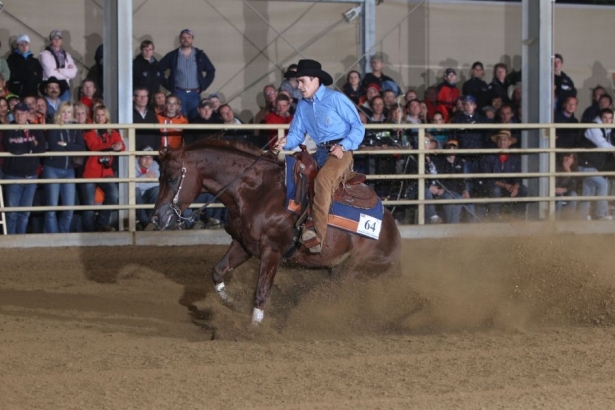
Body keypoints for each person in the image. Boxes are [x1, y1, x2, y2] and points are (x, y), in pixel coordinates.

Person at [274, 59, 364, 253]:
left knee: (323, 180)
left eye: (302, 81)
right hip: (320, 151)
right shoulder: (303, 106)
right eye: (298, 81)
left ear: (315, 80)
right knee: (292, 173)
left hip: (341, 152)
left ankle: (318, 235)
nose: (299, 86)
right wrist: (286, 142)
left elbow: (358, 127)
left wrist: (343, 145)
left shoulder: (335, 99)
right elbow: (297, 134)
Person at [2, 102, 46, 234]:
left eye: (22, 113)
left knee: (24, 213)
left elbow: (42, 147)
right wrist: (32, 146)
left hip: (30, 174)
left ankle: (20, 239)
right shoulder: (8, 129)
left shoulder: (34, 128)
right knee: (12, 213)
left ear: (27, 114)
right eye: (16, 113)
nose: (19, 116)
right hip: (14, 175)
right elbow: (13, 149)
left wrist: (26, 147)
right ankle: (11, 240)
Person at [42, 102, 85, 233]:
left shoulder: (75, 127)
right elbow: (54, 147)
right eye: (64, 111)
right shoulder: (53, 126)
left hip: (69, 170)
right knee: (52, 206)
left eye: (69, 112)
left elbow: (81, 148)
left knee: (69, 207)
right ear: (59, 113)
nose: (66, 115)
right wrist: (71, 146)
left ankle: (63, 235)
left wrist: (66, 144)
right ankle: (53, 237)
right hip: (52, 168)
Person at [81, 105, 125, 231]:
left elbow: (122, 146)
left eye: (102, 115)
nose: (100, 117)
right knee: (89, 205)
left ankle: (101, 224)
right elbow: (93, 146)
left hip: (106, 171)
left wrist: (118, 146)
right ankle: (88, 232)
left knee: (113, 195)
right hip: (90, 170)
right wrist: (112, 146)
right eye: (97, 115)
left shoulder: (113, 130)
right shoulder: (89, 129)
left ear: (107, 116)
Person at [159, 28, 216, 119]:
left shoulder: (199, 55)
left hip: (194, 93)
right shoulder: (173, 55)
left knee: (194, 119)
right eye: (183, 37)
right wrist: (168, 85)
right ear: (180, 40)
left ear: (192, 39)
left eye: (188, 37)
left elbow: (211, 71)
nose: (186, 39)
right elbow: (159, 69)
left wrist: (203, 85)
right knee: (177, 118)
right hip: (178, 92)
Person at [480, 130, 528, 220]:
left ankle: (519, 219)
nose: (502, 142)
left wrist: (515, 186)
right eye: (500, 140)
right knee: (495, 191)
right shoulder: (489, 156)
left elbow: (518, 175)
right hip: (493, 186)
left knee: (523, 190)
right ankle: (494, 219)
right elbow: (487, 177)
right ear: (497, 142)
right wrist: (505, 185)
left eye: (505, 140)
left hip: (509, 186)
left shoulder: (515, 157)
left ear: (509, 142)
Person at [577, 108, 615, 221]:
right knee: (602, 184)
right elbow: (603, 145)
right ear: (600, 118)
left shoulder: (606, 129)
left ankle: (581, 216)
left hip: (590, 164)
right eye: (605, 118)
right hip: (586, 164)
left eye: (610, 118)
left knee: (588, 188)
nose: (607, 121)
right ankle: (600, 214)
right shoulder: (594, 126)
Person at [39, 30, 77, 102]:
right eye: (54, 38)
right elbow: (50, 74)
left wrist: (60, 70)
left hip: (65, 88)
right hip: (51, 89)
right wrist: (66, 75)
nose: (57, 40)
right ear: (51, 41)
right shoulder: (45, 54)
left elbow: (73, 73)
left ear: (61, 40)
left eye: (59, 38)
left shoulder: (67, 55)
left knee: (65, 111)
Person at [6, 35, 42, 99]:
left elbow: (40, 75)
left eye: (26, 44)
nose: (24, 46)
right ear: (17, 46)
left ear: (29, 45)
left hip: (32, 91)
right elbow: (12, 75)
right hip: (18, 92)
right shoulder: (11, 60)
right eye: (21, 44)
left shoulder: (34, 61)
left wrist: (34, 80)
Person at [134, 146, 159, 230]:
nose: (148, 161)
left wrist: (138, 181)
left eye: (150, 157)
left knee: (157, 189)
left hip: (146, 197)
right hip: (134, 199)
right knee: (135, 191)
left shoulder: (154, 165)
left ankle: (150, 222)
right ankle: (145, 223)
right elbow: (131, 186)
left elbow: (157, 184)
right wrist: (144, 177)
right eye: (144, 157)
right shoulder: (132, 164)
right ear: (138, 158)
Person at [555, 153, 578, 219]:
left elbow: (574, 185)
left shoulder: (574, 169)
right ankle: (556, 220)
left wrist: (568, 171)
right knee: (558, 198)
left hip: (566, 191)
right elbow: (555, 182)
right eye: (567, 156)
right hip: (555, 190)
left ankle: (569, 219)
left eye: (571, 157)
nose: (568, 159)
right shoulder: (556, 166)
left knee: (573, 195)